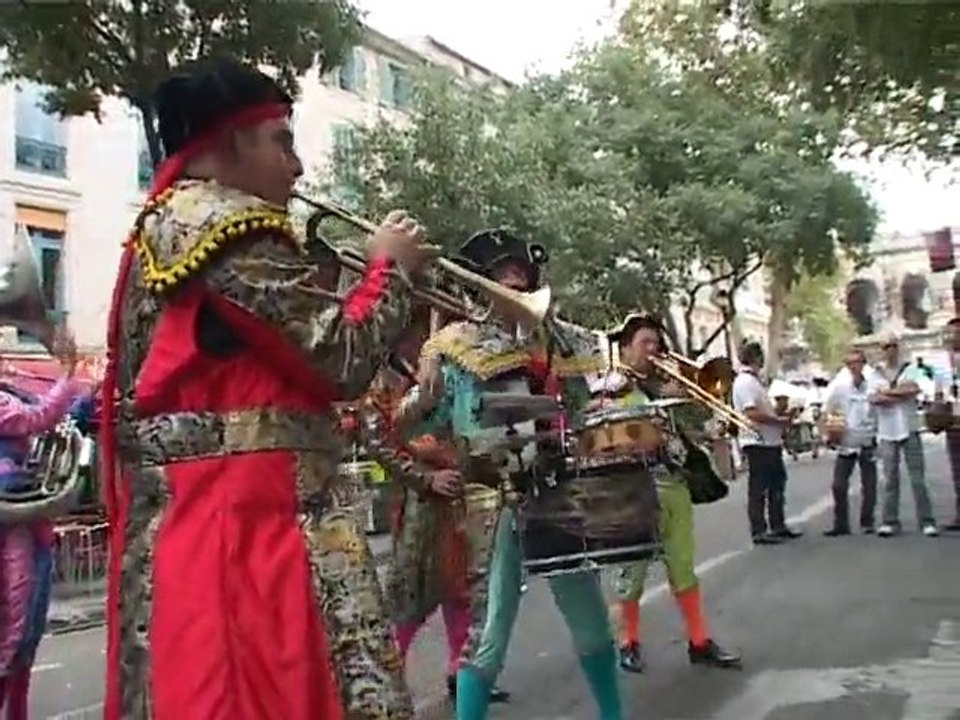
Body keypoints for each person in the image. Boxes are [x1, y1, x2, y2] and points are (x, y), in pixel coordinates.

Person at [100, 57, 427, 720]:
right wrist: (389, 270)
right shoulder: (229, 225)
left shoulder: (170, 221)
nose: (297, 167)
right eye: (281, 142)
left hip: (205, 512)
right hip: (249, 524)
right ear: (227, 144)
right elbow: (340, 359)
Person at [395, 229, 623, 720]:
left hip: (555, 489)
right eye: (502, 278)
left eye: (520, 277)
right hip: (489, 499)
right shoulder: (454, 347)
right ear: (483, 286)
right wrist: (424, 392)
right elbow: (407, 424)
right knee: (487, 632)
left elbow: (579, 411)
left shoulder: (558, 340)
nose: (514, 286)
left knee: (590, 621)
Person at [350, 308, 510, 704]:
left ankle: (462, 674)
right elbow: (377, 441)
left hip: (461, 490)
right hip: (419, 500)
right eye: (424, 327)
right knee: (408, 595)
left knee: (463, 587)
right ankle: (385, 687)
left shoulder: (452, 369)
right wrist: (426, 478)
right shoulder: (383, 378)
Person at [598, 314, 740, 674]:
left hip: (674, 483)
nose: (653, 350)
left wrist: (692, 404)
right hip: (634, 488)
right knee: (631, 571)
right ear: (625, 348)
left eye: (656, 343)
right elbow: (603, 438)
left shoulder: (666, 385)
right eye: (644, 343)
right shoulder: (611, 389)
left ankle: (699, 641)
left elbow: (694, 428)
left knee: (683, 567)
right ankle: (628, 642)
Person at [0, 329, 81, 719]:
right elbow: (37, 417)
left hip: (27, 522)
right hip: (11, 523)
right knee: (16, 627)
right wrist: (67, 374)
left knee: (26, 629)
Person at [731, 341, 802, 545]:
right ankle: (759, 530)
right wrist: (778, 420)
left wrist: (780, 413)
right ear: (756, 358)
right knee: (760, 487)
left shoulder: (754, 382)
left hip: (769, 440)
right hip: (758, 441)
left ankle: (777, 524)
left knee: (776, 484)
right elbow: (751, 412)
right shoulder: (745, 382)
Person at [870, 332, 938, 538]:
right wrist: (899, 393)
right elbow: (874, 398)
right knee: (890, 478)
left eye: (893, 346)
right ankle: (890, 521)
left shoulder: (910, 369)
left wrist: (888, 393)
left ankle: (927, 521)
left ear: (898, 348)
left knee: (918, 478)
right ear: (881, 350)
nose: (890, 350)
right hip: (887, 431)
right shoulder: (875, 373)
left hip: (909, 428)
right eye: (886, 347)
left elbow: (914, 389)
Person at [821, 348, 879, 536]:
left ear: (863, 364)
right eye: (850, 363)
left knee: (869, 485)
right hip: (846, 442)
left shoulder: (873, 385)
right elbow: (825, 411)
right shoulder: (839, 387)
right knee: (838, 485)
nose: (854, 366)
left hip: (867, 439)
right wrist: (827, 433)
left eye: (857, 362)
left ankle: (867, 521)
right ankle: (841, 524)